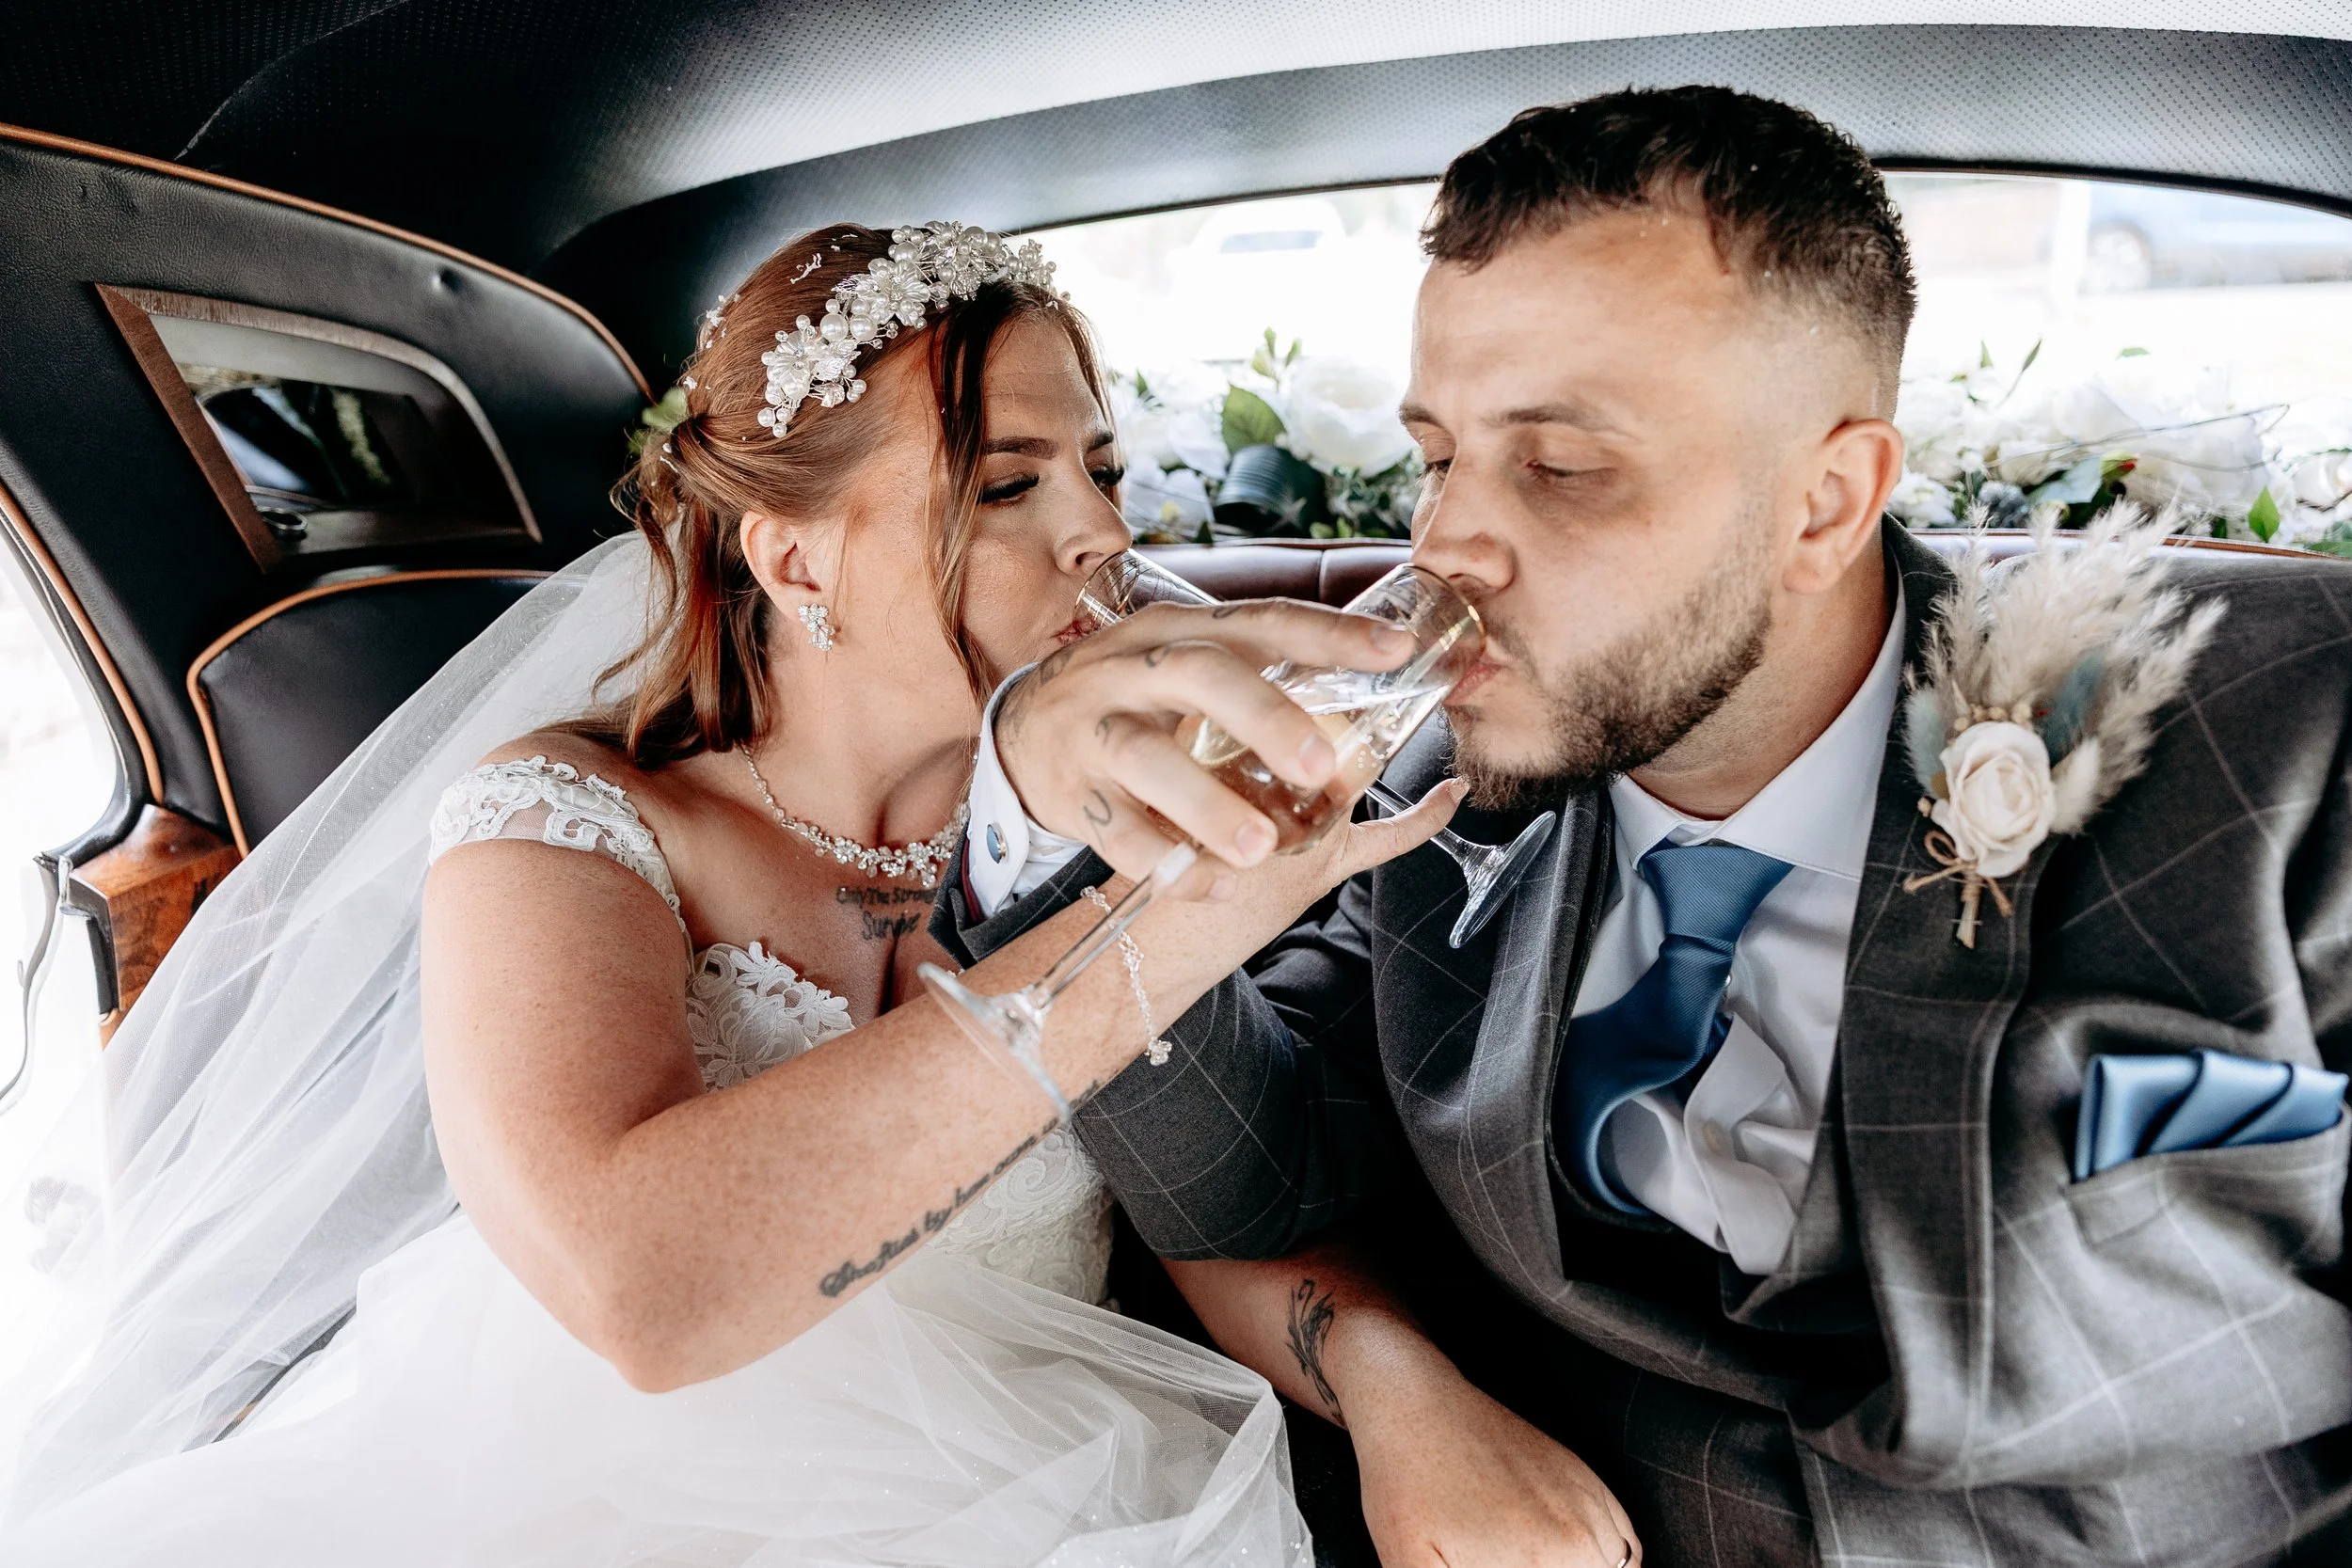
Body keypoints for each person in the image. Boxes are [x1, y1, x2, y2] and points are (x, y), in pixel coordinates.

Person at [943, 88, 2352, 1566]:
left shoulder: (2293, 737)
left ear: (1825, 501)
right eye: (1436, 456)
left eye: (1561, 467)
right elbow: (1251, 1167)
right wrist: (1041, 817)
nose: (1446, 547)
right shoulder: (1428, 805)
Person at [0, 221, 1452, 1564]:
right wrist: (1157, 937)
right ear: (790, 552)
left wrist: (1403, 1394)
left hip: (1070, 1476)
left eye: (1106, 469)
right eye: (1009, 483)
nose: (1102, 535)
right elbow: (644, 1291)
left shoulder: (1101, 815)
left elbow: (1208, 1199)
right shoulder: (565, 825)